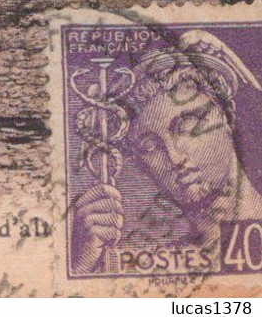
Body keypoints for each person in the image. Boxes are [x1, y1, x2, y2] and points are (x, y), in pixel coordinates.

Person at [69, 28, 262, 274]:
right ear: (141, 165)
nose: (174, 158)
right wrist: (82, 263)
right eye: (150, 147)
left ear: (228, 119)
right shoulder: (157, 269)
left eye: (186, 125)